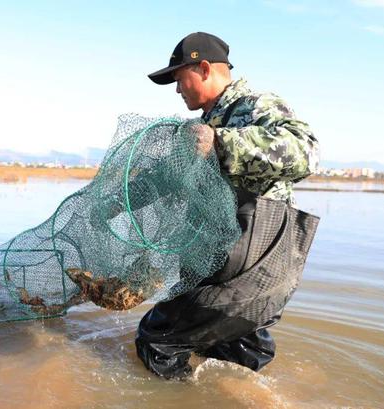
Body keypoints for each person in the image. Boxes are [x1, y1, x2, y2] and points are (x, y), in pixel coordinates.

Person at [135, 32, 320, 379]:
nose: (177, 90)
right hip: (226, 264)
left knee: (157, 340)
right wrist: (118, 201)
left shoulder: (254, 106)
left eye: (179, 79)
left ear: (204, 68)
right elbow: (165, 177)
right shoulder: (200, 127)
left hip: (254, 261)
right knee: (237, 351)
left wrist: (223, 142)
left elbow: (306, 151)